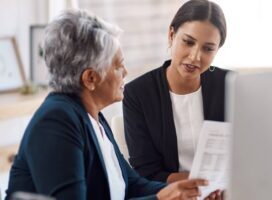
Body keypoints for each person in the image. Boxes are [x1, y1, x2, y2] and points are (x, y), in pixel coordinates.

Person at [5, 9, 216, 200]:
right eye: (118, 66)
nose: (125, 73)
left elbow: (131, 185)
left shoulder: (93, 117)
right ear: (90, 79)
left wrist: (186, 191)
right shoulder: (56, 122)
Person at [123, 0, 228, 188]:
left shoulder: (230, 85)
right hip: (172, 194)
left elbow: (249, 150)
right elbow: (146, 171)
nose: (195, 56)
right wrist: (203, 184)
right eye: (188, 42)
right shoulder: (137, 94)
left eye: (208, 48)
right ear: (171, 35)